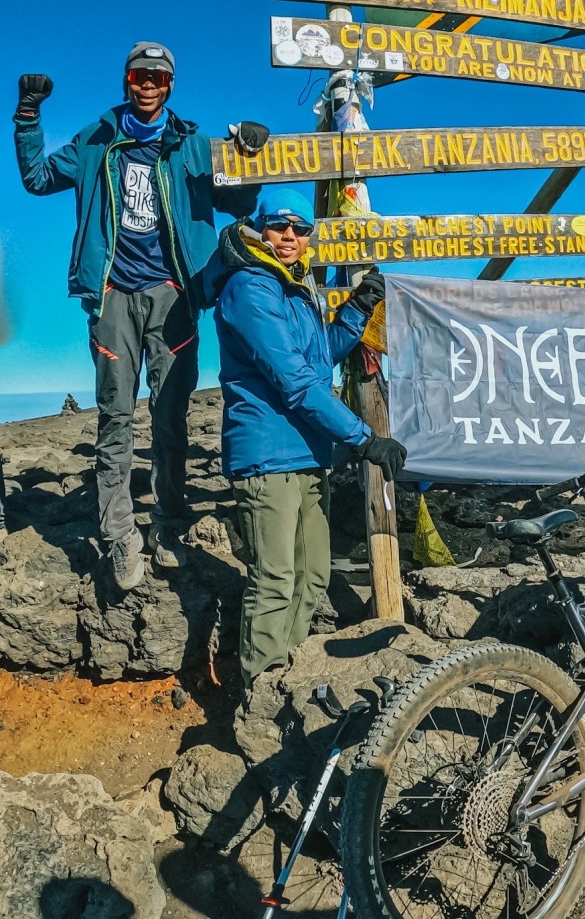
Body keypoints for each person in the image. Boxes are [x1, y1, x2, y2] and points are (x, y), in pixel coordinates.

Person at [12, 47, 266, 590]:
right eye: (138, 75)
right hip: (112, 299)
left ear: (170, 84)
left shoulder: (194, 146)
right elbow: (35, 178)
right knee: (115, 417)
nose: (147, 84)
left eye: (158, 77)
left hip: (173, 296)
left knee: (171, 418)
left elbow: (241, 203)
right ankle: (120, 536)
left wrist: (249, 155)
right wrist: (28, 116)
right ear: (127, 81)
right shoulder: (95, 140)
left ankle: (170, 524)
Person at [213, 186, 407, 690]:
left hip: (306, 454)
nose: (291, 237)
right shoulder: (250, 288)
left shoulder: (295, 288)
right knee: (275, 579)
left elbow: (320, 357)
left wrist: (358, 311)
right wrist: (364, 438)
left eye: (301, 229)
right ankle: (259, 689)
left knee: (314, 574)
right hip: (267, 455)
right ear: (259, 228)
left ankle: (287, 678)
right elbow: (295, 381)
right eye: (280, 226)